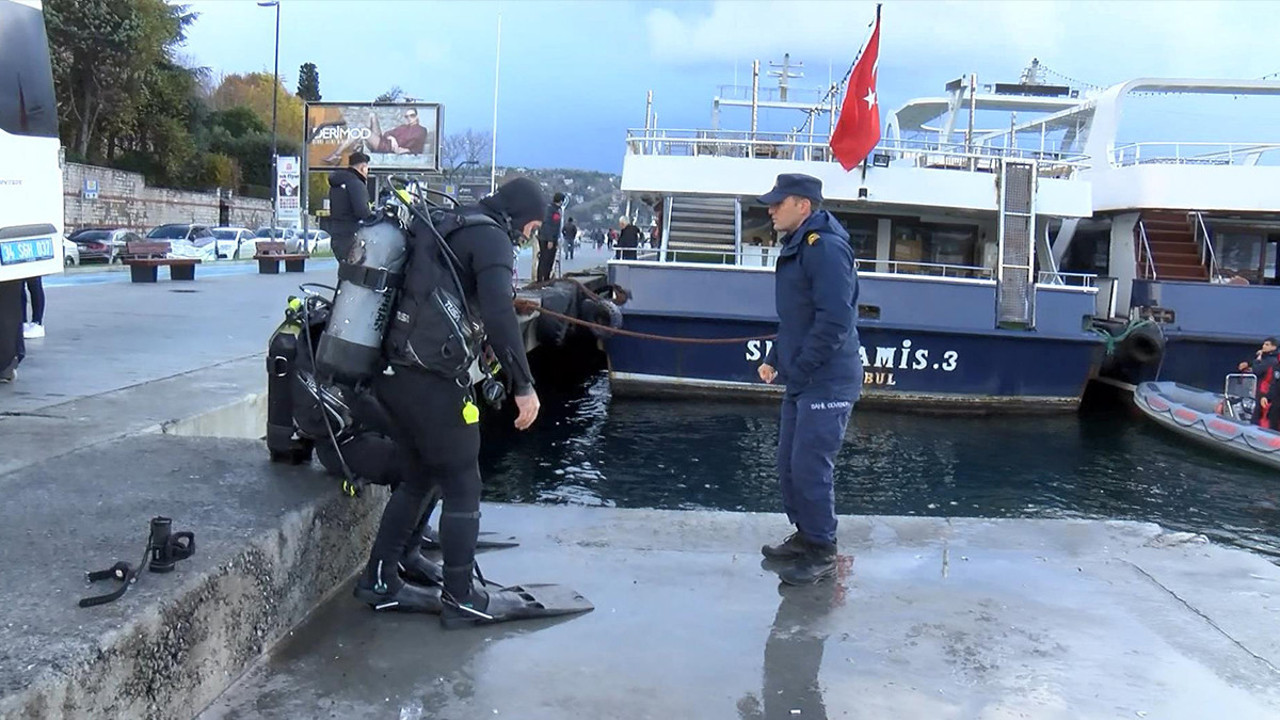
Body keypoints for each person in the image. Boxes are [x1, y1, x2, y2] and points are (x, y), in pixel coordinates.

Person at [355, 177, 545, 627]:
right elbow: (499, 313)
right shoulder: (493, 238)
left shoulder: (454, 221)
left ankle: (384, 575)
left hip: (393, 371)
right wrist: (523, 384)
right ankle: (460, 597)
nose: (530, 237)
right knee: (463, 480)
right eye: (533, 227)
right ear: (519, 216)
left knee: (421, 473)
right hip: (429, 374)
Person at [755, 173, 862, 586]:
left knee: (810, 465)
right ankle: (805, 535)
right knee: (788, 465)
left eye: (777, 203)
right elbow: (797, 318)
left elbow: (835, 320)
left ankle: (822, 550)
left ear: (802, 206)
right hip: (804, 377)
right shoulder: (801, 246)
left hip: (827, 379)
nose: (770, 209)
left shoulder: (826, 249)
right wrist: (775, 358)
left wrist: (799, 368)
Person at [323, 107, 429, 164]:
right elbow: (388, 133)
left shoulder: (421, 130)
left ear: (416, 116)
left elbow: (418, 149)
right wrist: (392, 138)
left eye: (412, 115)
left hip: (386, 148)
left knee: (363, 131)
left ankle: (337, 153)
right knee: (372, 115)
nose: (409, 118)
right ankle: (360, 142)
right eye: (407, 116)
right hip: (384, 141)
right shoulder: (403, 127)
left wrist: (405, 150)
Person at [327, 152, 374, 261]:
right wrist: (373, 215)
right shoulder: (356, 184)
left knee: (345, 270)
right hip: (351, 234)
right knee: (356, 271)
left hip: (337, 233)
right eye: (367, 168)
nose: (367, 172)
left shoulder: (338, 183)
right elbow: (362, 212)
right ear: (362, 167)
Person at [1238, 337, 1278, 426]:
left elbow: (1257, 370)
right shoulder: (1266, 358)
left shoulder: (1272, 361)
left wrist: (1258, 358)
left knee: (1258, 413)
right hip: (1259, 387)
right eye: (1264, 344)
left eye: (1267, 345)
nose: (1264, 346)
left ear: (1274, 347)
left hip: (1264, 389)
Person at [535, 192, 564, 282]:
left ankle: (545, 278)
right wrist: (550, 240)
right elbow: (548, 225)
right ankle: (541, 279)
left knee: (549, 258)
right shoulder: (550, 210)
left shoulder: (554, 210)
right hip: (546, 238)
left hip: (550, 237)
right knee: (545, 258)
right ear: (560, 201)